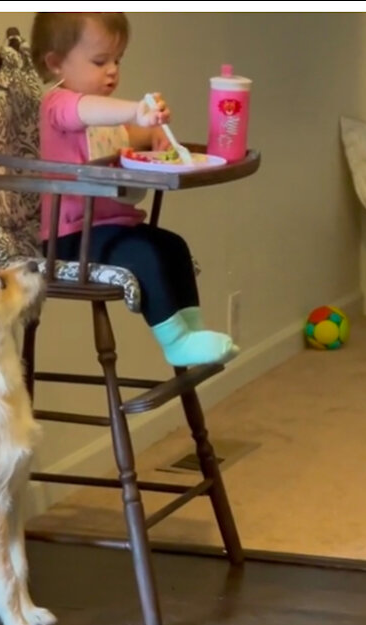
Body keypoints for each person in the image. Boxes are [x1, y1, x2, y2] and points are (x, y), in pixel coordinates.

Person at [29, 12, 238, 367]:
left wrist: (154, 133)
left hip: (109, 228)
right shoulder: (58, 104)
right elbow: (87, 111)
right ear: (56, 63)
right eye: (100, 61)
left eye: (117, 60)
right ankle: (175, 342)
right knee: (144, 255)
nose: (112, 70)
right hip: (70, 237)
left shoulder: (102, 119)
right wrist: (135, 110)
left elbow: (127, 134)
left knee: (173, 246)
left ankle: (193, 331)